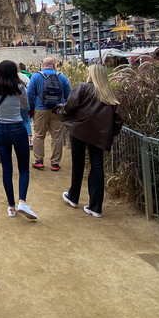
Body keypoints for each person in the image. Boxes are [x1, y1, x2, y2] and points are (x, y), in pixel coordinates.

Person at [60, 63, 123, 217]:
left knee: (78, 163)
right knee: (97, 165)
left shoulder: (82, 88)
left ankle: (73, 196)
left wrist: (62, 112)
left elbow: (69, 107)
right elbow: (117, 118)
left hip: (80, 130)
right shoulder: (108, 93)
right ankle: (95, 206)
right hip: (99, 134)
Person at [0, 60, 37, 220]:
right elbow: (25, 105)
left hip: (0, 128)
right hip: (17, 126)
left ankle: (11, 206)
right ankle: (22, 201)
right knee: (23, 168)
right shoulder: (20, 87)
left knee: (7, 169)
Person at [27, 56, 71, 171]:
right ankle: (55, 163)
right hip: (57, 108)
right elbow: (69, 94)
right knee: (57, 136)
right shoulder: (62, 77)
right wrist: (64, 106)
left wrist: (32, 107)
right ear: (54, 65)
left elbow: (29, 93)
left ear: (42, 65)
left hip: (40, 108)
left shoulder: (36, 76)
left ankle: (39, 160)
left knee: (38, 135)